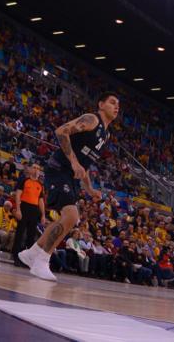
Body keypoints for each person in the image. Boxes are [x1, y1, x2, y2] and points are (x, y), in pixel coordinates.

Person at [18, 92, 119, 281]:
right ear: (101, 104)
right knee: (72, 216)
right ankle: (41, 261)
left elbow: (84, 164)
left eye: (118, 104)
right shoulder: (91, 119)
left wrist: (89, 188)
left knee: (68, 219)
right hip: (59, 168)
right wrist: (72, 162)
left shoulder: (106, 135)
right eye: (112, 102)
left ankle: (32, 253)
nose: (116, 106)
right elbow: (60, 131)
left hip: (71, 176)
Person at [11, 163, 46, 266]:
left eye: (38, 168)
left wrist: (43, 215)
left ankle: (28, 259)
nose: (36, 170)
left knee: (31, 235)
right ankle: (16, 256)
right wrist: (18, 209)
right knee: (20, 233)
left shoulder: (40, 185)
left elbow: (41, 201)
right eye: (34, 167)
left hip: (34, 210)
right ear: (30, 169)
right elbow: (18, 195)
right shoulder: (24, 180)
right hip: (24, 207)